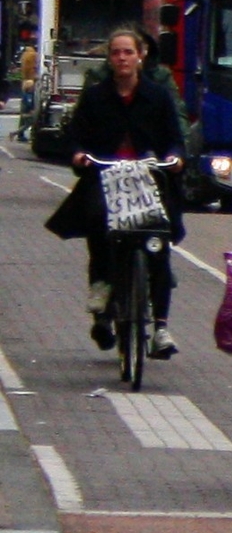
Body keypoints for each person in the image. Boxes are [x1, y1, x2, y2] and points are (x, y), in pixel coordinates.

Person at [49, 27, 186, 356]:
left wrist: (176, 157)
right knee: (98, 219)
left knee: (158, 241)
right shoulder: (96, 96)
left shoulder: (158, 95)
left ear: (141, 56)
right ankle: (101, 287)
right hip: (105, 176)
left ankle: (161, 327)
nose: (122, 58)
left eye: (128, 52)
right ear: (109, 58)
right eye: (116, 53)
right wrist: (79, 154)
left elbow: (174, 136)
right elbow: (76, 134)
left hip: (147, 178)